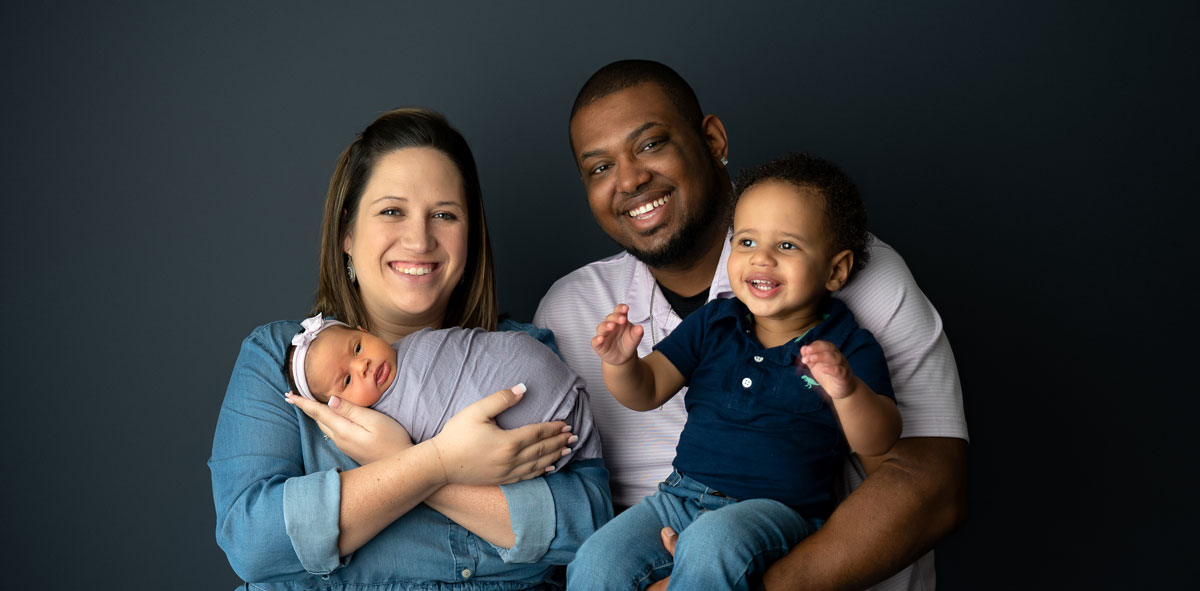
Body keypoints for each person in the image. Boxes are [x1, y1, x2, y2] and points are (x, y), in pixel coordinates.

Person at [535, 60, 968, 590]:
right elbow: (565, 501)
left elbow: (928, 486)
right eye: (599, 167)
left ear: (713, 140)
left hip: (778, 547)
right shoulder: (572, 310)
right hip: (672, 513)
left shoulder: (855, 281)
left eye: (650, 145)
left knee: (715, 544)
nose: (628, 179)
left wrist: (724, 580)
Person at [210, 108, 612, 590]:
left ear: (470, 240)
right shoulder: (279, 359)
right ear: (347, 234)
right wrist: (438, 461)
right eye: (391, 211)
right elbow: (254, 543)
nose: (420, 239)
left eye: (444, 215)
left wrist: (398, 463)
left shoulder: (522, 355)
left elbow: (588, 528)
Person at [567, 153, 902, 590]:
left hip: (777, 513)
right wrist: (621, 363)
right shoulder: (715, 322)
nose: (761, 259)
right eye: (746, 242)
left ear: (836, 270)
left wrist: (847, 390)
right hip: (679, 496)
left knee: (711, 545)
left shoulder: (845, 345)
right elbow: (645, 390)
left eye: (786, 245)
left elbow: (880, 438)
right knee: (596, 561)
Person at [283, 314, 601, 472]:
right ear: (337, 407)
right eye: (347, 381)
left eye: (357, 348)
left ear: (364, 331)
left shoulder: (417, 342)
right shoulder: (376, 428)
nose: (363, 366)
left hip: (562, 387)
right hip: (552, 443)